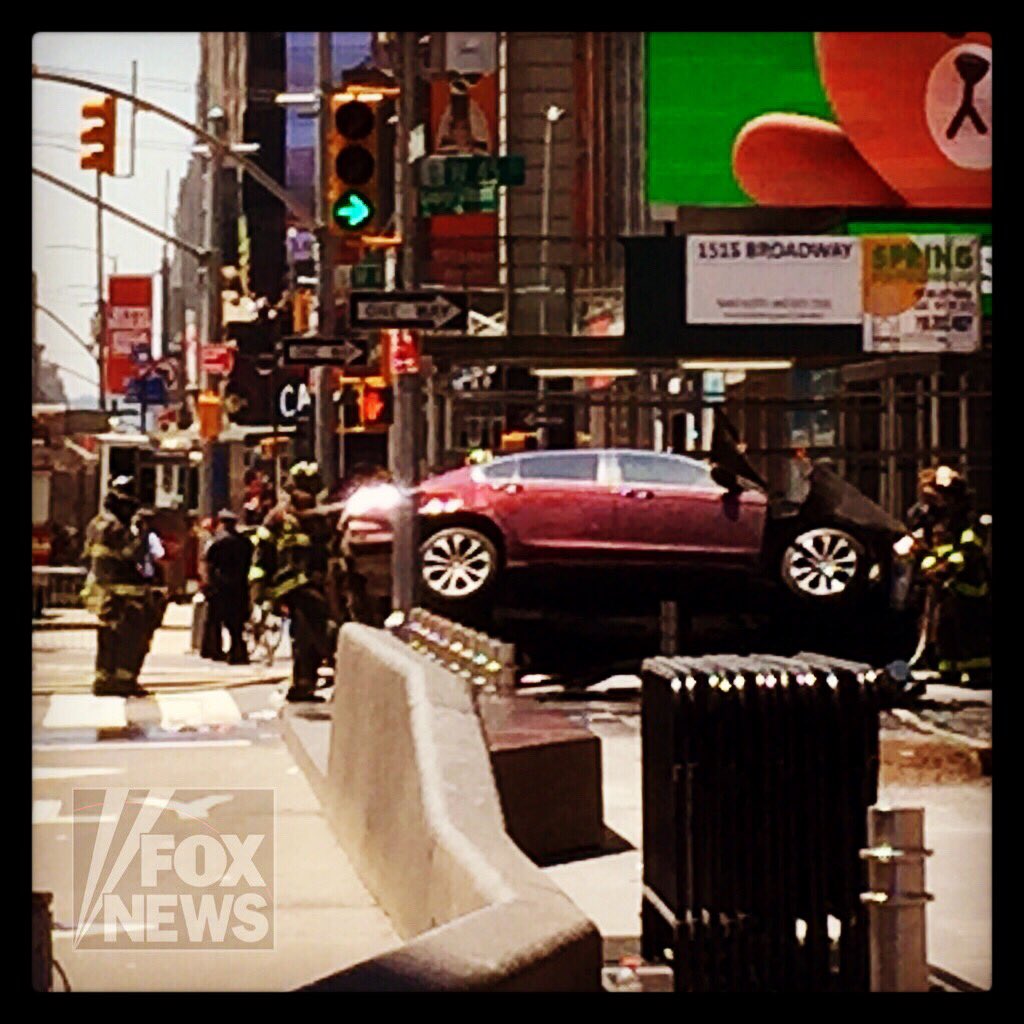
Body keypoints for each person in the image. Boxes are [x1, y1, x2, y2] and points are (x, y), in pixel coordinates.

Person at [249, 462, 336, 702]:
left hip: (320, 586)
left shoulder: (322, 518)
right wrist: (260, 592)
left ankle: (303, 685)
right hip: (294, 587)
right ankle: (315, 679)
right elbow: (261, 557)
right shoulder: (277, 518)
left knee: (306, 637)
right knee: (319, 633)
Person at [81, 477, 167, 697]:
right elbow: (133, 555)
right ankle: (124, 681)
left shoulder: (96, 524)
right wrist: (142, 533)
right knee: (130, 639)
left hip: (103, 593)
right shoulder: (116, 527)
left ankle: (103, 679)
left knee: (108, 637)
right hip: (125, 595)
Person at [912, 466, 991, 685]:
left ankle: (979, 672)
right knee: (945, 629)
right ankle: (949, 669)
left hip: (968, 584)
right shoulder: (934, 521)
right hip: (945, 586)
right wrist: (929, 567)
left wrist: (946, 568)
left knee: (970, 628)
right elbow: (930, 549)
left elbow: (970, 549)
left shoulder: (968, 520)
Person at [201, 510, 252, 664]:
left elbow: (208, 564)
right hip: (239, 585)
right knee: (236, 622)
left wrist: (207, 583)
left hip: (219, 585)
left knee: (214, 620)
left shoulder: (216, 542)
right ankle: (237, 652)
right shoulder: (244, 542)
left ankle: (214, 650)